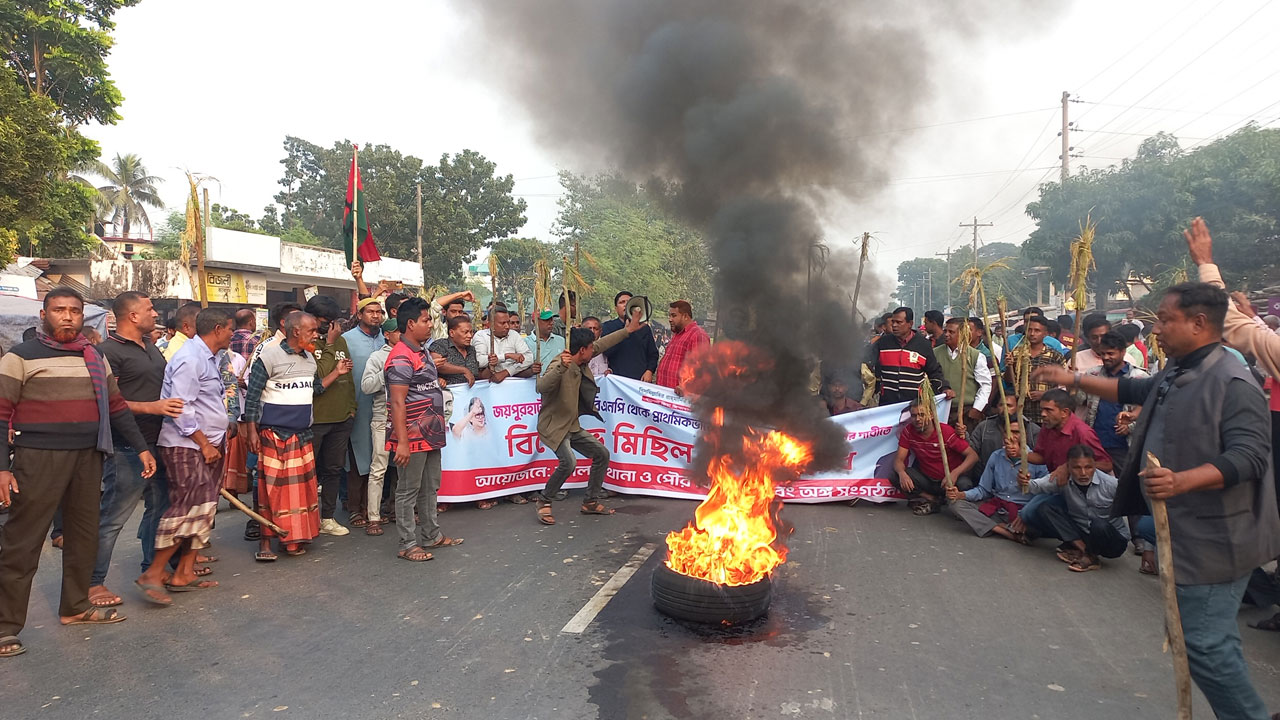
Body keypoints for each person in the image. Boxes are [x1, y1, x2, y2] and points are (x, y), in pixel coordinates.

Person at [1034, 281, 1279, 719]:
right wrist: (1072, 378)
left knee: (1203, 642)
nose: (1156, 329)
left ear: (1199, 323)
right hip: (1190, 529)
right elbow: (1133, 391)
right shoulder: (1181, 369)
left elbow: (1250, 457)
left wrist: (1183, 481)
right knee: (1207, 637)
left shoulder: (1233, 378)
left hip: (1223, 533)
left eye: (1165, 319)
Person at [0, 288, 156, 657]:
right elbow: (1, 414)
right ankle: (6, 626)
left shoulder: (93, 357)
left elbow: (116, 407)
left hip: (88, 456)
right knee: (22, 542)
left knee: (82, 535)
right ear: (44, 314)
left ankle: (74, 606)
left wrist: (143, 447)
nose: (68, 317)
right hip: (37, 458)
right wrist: (2, 469)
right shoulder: (19, 358)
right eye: (59, 310)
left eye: (74, 310)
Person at [89, 292, 184, 610]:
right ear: (131, 315)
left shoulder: (153, 349)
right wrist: (152, 406)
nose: (155, 314)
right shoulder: (106, 352)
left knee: (159, 510)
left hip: (159, 441)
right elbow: (105, 401)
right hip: (127, 446)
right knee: (114, 518)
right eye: (149, 309)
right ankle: (92, 582)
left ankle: (151, 572)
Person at [134, 309, 233, 605]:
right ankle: (153, 572)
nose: (233, 334)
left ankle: (184, 573)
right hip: (186, 445)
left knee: (205, 507)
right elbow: (180, 407)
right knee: (189, 506)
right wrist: (203, 443)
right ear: (217, 329)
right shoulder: (190, 358)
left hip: (210, 444)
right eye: (230, 329)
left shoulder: (209, 357)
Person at [242, 311, 349, 560]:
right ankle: (266, 544)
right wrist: (251, 431)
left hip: (301, 436)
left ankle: (292, 540)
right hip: (273, 435)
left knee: (299, 493)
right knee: (271, 493)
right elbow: (253, 395)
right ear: (295, 331)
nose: (316, 335)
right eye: (312, 330)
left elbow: (315, 389)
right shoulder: (268, 355)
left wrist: (337, 372)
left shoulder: (309, 357)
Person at [534, 312, 646, 526]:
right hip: (554, 426)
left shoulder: (583, 356)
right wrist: (560, 368)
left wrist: (628, 330)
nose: (594, 350)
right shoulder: (561, 363)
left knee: (602, 454)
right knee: (569, 463)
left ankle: (590, 502)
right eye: (590, 348)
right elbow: (541, 387)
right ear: (582, 350)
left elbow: (603, 343)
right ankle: (544, 500)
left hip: (572, 425)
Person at [386, 298, 462, 561]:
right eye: (426, 320)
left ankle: (432, 535)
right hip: (412, 434)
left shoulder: (422, 351)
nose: (430, 325)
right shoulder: (399, 357)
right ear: (410, 324)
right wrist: (403, 443)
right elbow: (397, 402)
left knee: (431, 486)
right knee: (408, 490)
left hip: (431, 432)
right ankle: (407, 543)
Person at [1025, 445, 1129, 572]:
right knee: (1046, 508)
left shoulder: (1111, 484)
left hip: (1111, 541)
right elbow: (1036, 486)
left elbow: (1135, 506)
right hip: (1085, 533)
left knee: (1099, 524)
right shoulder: (1063, 479)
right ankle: (1085, 551)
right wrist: (1024, 481)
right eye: (1077, 468)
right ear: (1068, 467)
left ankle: (1088, 555)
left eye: (1088, 467)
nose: (1083, 473)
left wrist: (1145, 546)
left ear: (1094, 466)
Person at [304, 295, 357, 537]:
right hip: (316, 419)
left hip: (341, 417)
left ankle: (327, 517)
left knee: (334, 470)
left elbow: (347, 376)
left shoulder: (340, 341)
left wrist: (351, 408)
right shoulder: (306, 344)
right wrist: (330, 344)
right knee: (309, 472)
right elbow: (320, 378)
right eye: (326, 322)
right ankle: (305, 519)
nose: (330, 327)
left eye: (333, 322)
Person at [946, 425, 1042, 542]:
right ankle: (1003, 531)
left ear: (1024, 435)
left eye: (1016, 432)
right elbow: (983, 490)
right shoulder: (996, 456)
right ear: (1003, 436)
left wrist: (1024, 513)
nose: (1012, 436)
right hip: (998, 508)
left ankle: (995, 526)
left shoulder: (1037, 459)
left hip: (1023, 513)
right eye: (1008, 432)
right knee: (957, 504)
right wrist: (961, 495)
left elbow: (1043, 494)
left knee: (1038, 525)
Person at [889, 397, 979, 516]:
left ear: (931, 415)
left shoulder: (945, 431)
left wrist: (954, 474)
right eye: (914, 415)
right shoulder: (908, 431)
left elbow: (973, 456)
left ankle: (951, 502)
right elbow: (899, 460)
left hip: (950, 480)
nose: (918, 419)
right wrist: (902, 474)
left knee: (965, 485)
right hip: (929, 480)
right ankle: (932, 499)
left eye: (922, 415)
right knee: (895, 475)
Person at [1080, 331, 1149, 478]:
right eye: (1103, 353)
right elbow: (1079, 401)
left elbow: (1149, 412)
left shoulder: (1139, 377)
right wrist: (1074, 384)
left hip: (1124, 444)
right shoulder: (1093, 375)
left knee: (1125, 484)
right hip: (1096, 442)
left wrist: (1129, 427)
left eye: (1111, 353)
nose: (1106, 357)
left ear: (1123, 352)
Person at [342, 297, 385, 529]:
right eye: (370, 311)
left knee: (379, 458)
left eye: (379, 312)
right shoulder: (346, 340)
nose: (375, 316)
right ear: (360, 315)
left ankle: (374, 507)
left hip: (383, 408)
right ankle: (354, 508)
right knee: (357, 458)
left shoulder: (386, 340)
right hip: (357, 406)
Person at [358, 322, 400, 536]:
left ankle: (401, 511)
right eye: (398, 331)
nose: (402, 334)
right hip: (383, 417)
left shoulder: (414, 353)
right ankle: (373, 517)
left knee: (405, 466)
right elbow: (366, 387)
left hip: (407, 417)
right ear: (387, 334)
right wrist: (387, 373)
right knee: (379, 467)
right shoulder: (377, 357)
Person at [869, 307, 951, 406]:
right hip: (888, 404)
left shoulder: (923, 345)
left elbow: (934, 371)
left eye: (899, 322)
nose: (894, 325)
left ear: (910, 324)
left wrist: (944, 388)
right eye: (893, 322)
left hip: (914, 405)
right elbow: (867, 361)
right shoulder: (883, 343)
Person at [933, 317, 991, 430]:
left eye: (951, 332)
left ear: (962, 333)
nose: (946, 334)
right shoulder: (935, 353)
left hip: (966, 411)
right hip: (941, 410)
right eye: (945, 331)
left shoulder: (975, 355)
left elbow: (985, 385)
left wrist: (977, 408)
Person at [966, 394, 1039, 479]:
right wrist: (964, 437)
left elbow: (1039, 457)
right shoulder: (984, 427)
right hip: (989, 479)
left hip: (1021, 479)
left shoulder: (1031, 429)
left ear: (1018, 407)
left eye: (1009, 405)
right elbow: (972, 451)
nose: (1005, 409)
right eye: (1001, 405)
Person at [1011, 315, 1067, 424]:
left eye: (1037, 331)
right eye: (1030, 330)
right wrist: (1009, 365)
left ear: (1045, 333)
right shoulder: (1017, 353)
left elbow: (1063, 385)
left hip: (1046, 414)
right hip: (1022, 411)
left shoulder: (1054, 356)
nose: (1032, 334)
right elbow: (1009, 380)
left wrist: (1045, 394)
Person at [601, 291, 658, 382]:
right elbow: (607, 351)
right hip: (616, 380)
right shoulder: (608, 327)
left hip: (640, 380)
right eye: (621, 302)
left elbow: (653, 354)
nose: (625, 305)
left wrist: (649, 371)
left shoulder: (644, 328)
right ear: (616, 308)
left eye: (628, 302)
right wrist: (625, 331)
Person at [656, 300, 710, 394]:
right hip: (665, 395)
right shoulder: (678, 335)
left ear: (685, 316)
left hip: (679, 400)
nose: (670, 319)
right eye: (669, 315)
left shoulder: (698, 335)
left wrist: (687, 386)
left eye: (674, 315)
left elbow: (701, 368)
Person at [473, 305, 535, 381]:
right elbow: (479, 361)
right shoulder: (481, 336)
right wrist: (505, 356)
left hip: (513, 383)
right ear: (490, 324)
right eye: (502, 323)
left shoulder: (514, 335)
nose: (507, 326)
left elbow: (529, 358)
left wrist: (507, 372)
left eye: (508, 322)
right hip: (488, 384)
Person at [531, 310, 566, 377]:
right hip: (535, 384)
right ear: (534, 321)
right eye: (546, 320)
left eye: (551, 320)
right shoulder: (525, 343)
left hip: (558, 383)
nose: (551, 323)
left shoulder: (561, 341)